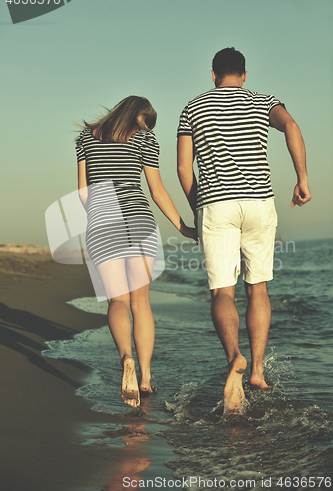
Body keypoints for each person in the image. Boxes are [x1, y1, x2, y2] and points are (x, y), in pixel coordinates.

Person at [177, 47, 311, 414]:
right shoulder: (264, 101)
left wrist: (198, 209)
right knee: (258, 288)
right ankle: (257, 370)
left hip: (216, 204)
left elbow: (184, 169)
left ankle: (233, 356)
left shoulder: (192, 108)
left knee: (223, 290)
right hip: (259, 202)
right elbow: (292, 126)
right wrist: (302, 179)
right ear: (245, 74)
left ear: (213, 73)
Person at [76, 96, 196, 409]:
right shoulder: (145, 138)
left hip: (103, 221)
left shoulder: (85, 138)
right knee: (141, 302)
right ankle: (144, 376)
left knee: (118, 300)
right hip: (139, 219)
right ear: (139, 117)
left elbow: (83, 194)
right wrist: (183, 226)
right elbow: (156, 190)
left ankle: (125, 358)